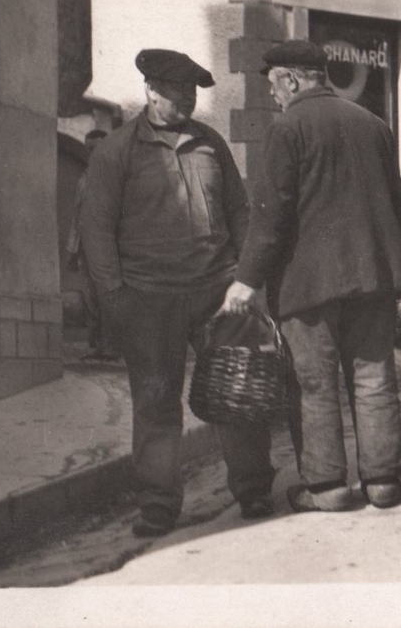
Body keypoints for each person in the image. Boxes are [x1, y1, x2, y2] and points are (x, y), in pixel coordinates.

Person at [80, 49, 275, 537]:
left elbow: (239, 211)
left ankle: (252, 487)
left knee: (237, 391)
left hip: (217, 292)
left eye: (191, 91)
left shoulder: (210, 143)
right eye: (176, 90)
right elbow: (96, 230)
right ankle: (158, 504)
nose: (187, 99)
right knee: (156, 402)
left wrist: (246, 277)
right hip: (149, 298)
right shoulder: (116, 152)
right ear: (150, 90)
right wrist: (115, 296)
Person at [223, 40, 401, 512]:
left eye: (274, 86)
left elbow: (270, 216)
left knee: (313, 384)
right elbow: (398, 203)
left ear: (291, 80)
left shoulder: (287, 128)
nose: (273, 96)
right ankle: (383, 480)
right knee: (374, 377)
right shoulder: (374, 124)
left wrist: (247, 279)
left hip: (307, 284)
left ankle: (327, 486)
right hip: (372, 278)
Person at [65, 128, 116, 360]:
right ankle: (98, 345)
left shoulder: (115, 177)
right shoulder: (85, 178)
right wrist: (73, 249)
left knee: (108, 296)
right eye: (89, 148)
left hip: (108, 247)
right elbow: (78, 214)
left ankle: (111, 346)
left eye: (97, 148)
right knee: (90, 296)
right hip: (86, 246)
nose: (93, 153)